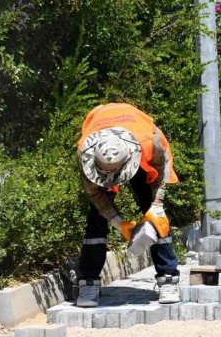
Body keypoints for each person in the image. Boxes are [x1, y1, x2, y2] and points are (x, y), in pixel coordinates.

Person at [75, 103, 181, 307]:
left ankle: (168, 279)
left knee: (155, 216)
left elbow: (162, 170)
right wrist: (116, 222)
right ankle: (88, 282)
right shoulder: (85, 152)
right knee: (96, 218)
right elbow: (95, 195)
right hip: (104, 153)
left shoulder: (151, 142)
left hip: (140, 154)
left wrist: (157, 205)